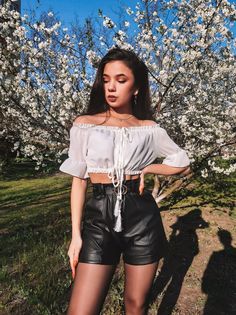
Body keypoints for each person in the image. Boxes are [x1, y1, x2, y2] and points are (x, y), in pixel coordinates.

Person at [59, 47, 190, 315]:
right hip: (98, 220)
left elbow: (182, 162)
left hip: (143, 218)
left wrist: (150, 168)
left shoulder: (149, 130)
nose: (111, 87)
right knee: (80, 310)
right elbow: (79, 181)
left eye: (121, 80)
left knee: (135, 305)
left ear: (137, 87)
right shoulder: (85, 125)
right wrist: (76, 236)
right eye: (106, 80)